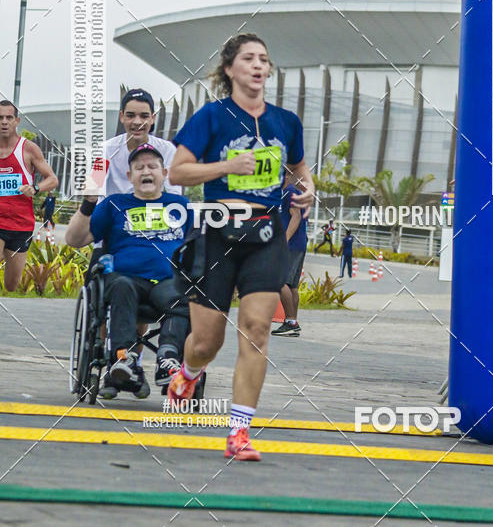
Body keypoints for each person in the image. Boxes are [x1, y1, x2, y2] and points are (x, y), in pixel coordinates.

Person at [167, 33, 314, 461]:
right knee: (206, 341)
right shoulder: (211, 117)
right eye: (248, 58)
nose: (257, 65)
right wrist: (227, 166)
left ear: (268, 71)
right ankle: (188, 373)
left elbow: (301, 172)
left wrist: (305, 192)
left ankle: (239, 432)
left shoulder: (285, 122)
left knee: (257, 329)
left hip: (266, 235)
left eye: (264, 60)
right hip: (217, 231)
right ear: (230, 69)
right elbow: (178, 173)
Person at [66, 144, 191, 399]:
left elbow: (201, 247)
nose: (146, 171)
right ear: (129, 176)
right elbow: (74, 239)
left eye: (152, 166)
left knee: (182, 294)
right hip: (124, 279)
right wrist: (89, 203)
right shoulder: (115, 204)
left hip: (166, 280)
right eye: (139, 167)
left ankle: (167, 357)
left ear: (164, 173)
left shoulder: (181, 205)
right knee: (122, 286)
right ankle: (124, 358)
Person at [0, 100, 58, 291]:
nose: (4, 122)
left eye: (9, 117)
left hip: (20, 224)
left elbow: (52, 179)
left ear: (17, 121)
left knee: (11, 285)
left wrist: (34, 188)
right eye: (0, 118)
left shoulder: (28, 148)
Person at [271, 183, 308, 338]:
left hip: (291, 245)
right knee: (292, 285)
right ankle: (292, 323)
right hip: (298, 244)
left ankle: (290, 322)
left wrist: (284, 241)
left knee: (281, 282)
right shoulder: (290, 192)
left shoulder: (290, 192)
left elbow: (296, 216)